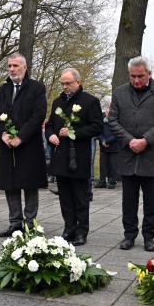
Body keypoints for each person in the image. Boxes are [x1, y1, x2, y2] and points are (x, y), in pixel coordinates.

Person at [108, 56, 154, 252]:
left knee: (151, 201)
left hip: (153, 155)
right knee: (128, 201)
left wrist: (146, 140)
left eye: (140, 76)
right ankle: (129, 235)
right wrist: (130, 140)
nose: (136, 80)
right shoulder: (119, 92)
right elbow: (112, 120)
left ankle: (149, 236)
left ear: (149, 74)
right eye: (133, 76)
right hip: (128, 154)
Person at [0, 53, 47, 237]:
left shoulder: (36, 88)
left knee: (29, 185)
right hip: (7, 145)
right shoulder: (2, 90)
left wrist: (20, 137)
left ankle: (30, 224)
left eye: (15, 65)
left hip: (28, 145)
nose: (12, 69)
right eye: (9, 66)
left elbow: (38, 115)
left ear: (24, 67)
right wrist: (3, 134)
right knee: (10, 184)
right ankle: (15, 224)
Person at [46, 68, 103, 246]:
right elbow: (50, 125)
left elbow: (97, 127)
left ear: (78, 82)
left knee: (80, 196)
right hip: (61, 155)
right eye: (62, 84)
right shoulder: (57, 102)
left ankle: (81, 231)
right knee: (65, 196)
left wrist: (74, 132)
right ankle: (68, 228)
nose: (64, 87)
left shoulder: (90, 101)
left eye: (68, 83)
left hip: (79, 156)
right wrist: (51, 135)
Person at [96, 106, 119, 189]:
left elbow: (117, 133)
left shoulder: (116, 121)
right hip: (103, 147)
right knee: (103, 165)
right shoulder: (101, 121)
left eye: (109, 111)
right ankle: (102, 182)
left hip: (114, 147)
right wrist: (102, 141)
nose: (107, 112)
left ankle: (112, 182)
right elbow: (98, 131)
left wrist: (107, 141)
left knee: (113, 166)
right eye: (107, 110)